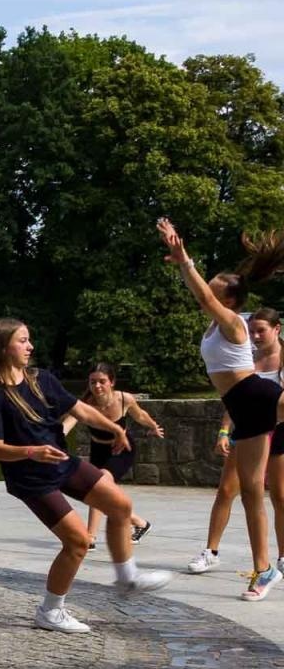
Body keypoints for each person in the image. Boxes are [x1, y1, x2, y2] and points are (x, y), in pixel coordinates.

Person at [0, 318, 171, 633]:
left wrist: (115, 428)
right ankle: (50, 611)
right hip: (31, 479)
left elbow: (81, 410)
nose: (30, 346)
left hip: (62, 462)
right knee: (78, 542)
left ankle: (127, 578)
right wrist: (31, 451)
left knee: (120, 505)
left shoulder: (42, 379)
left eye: (29, 339)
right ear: (2, 347)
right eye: (22, 341)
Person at [159, 218, 284, 599]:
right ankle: (265, 569)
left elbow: (204, 297)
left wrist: (185, 261)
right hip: (243, 409)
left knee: (256, 491)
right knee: (250, 492)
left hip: (258, 397)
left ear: (228, 301)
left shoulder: (233, 323)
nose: (205, 296)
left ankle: (266, 568)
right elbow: (203, 297)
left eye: (213, 292)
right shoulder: (216, 326)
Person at [188, 310, 284, 574]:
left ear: (277, 329)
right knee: (227, 490)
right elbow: (237, 398)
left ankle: (281, 557)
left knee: (279, 495)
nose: (255, 336)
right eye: (252, 331)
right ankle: (211, 551)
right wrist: (223, 431)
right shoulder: (246, 356)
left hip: (278, 431)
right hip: (248, 426)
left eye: (261, 330)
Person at [63, 363, 162, 548]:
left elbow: (140, 415)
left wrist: (153, 426)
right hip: (98, 450)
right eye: (93, 382)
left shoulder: (124, 399)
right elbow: (68, 423)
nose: (97, 386)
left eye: (102, 381)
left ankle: (90, 537)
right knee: (97, 490)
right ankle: (139, 523)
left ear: (112, 382)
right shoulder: (84, 404)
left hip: (121, 449)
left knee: (99, 482)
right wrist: (55, 439)